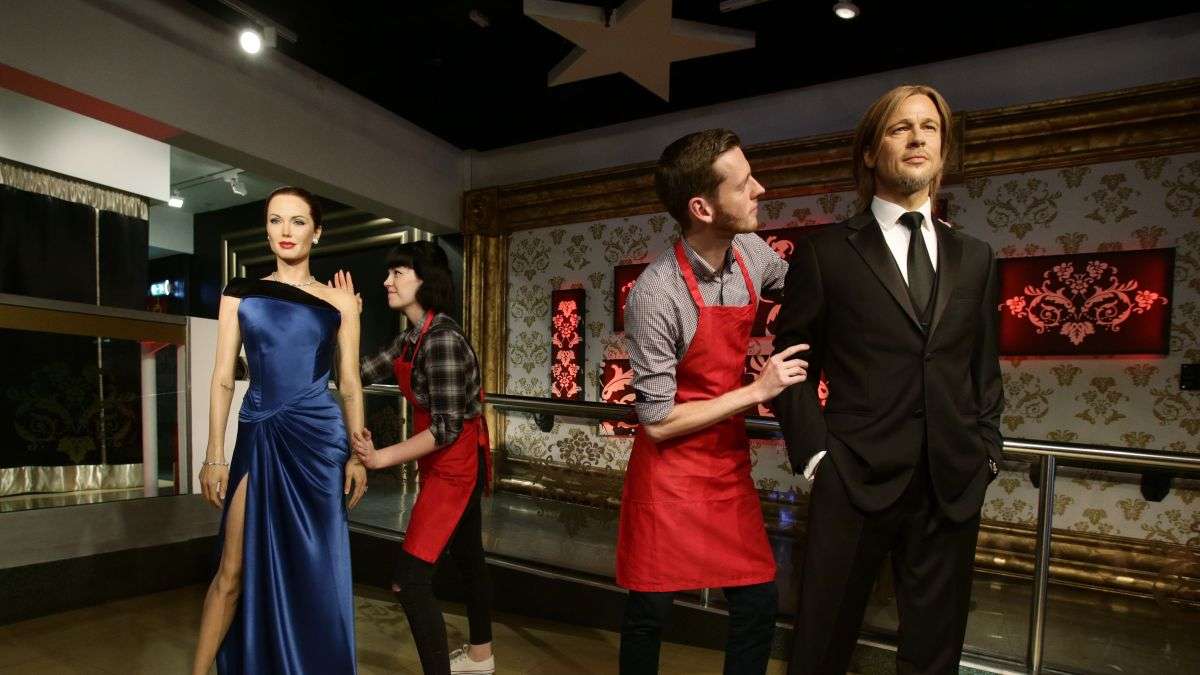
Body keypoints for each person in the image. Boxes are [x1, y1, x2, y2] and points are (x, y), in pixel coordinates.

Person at [773, 85, 1004, 675]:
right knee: (820, 646)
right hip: (854, 476)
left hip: (951, 482)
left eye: (930, 128)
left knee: (934, 656)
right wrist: (817, 456)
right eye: (900, 128)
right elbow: (792, 366)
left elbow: (983, 365)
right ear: (871, 151)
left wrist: (987, 451)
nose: (918, 137)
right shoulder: (825, 252)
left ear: (944, 150)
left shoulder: (976, 256)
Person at [617, 128, 808, 675]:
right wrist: (756, 391)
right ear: (701, 208)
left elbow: (805, 287)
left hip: (725, 466)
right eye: (743, 184)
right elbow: (656, 422)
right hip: (668, 471)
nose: (759, 190)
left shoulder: (751, 253)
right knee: (650, 610)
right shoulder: (656, 294)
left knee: (757, 602)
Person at [191, 186, 367, 675]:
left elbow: (350, 383)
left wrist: (357, 454)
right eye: (275, 220)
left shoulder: (340, 302)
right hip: (260, 434)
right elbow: (223, 377)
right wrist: (214, 454)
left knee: (316, 570)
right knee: (231, 570)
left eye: (297, 221)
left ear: (317, 232)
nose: (285, 231)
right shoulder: (240, 294)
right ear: (266, 229)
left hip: (318, 441)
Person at [353, 241, 496, 675]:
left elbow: (446, 428)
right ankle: (482, 657)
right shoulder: (411, 337)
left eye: (398, 273)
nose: (387, 281)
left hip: (455, 468)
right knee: (469, 560)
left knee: (410, 582)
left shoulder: (442, 340)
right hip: (441, 464)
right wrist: (347, 323)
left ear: (425, 281)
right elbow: (359, 372)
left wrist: (379, 458)